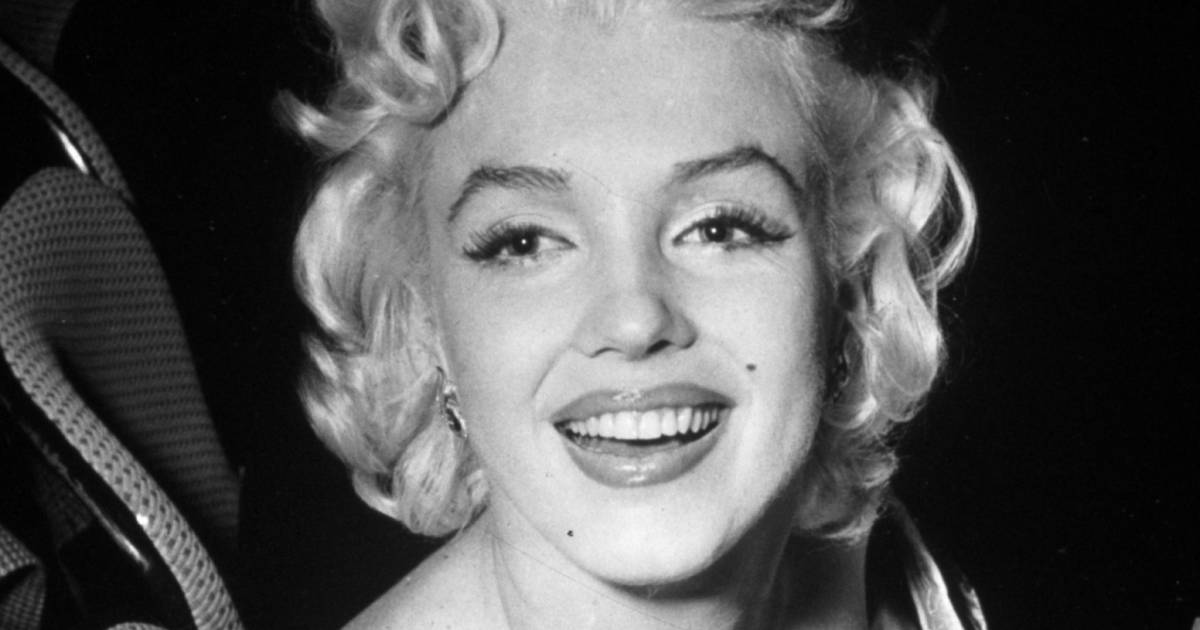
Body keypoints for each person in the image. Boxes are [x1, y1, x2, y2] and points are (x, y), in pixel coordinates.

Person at [287, 0, 980, 627]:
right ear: (425, 322)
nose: (634, 320)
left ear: (848, 280)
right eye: (524, 243)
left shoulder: (904, 582)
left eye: (720, 228)